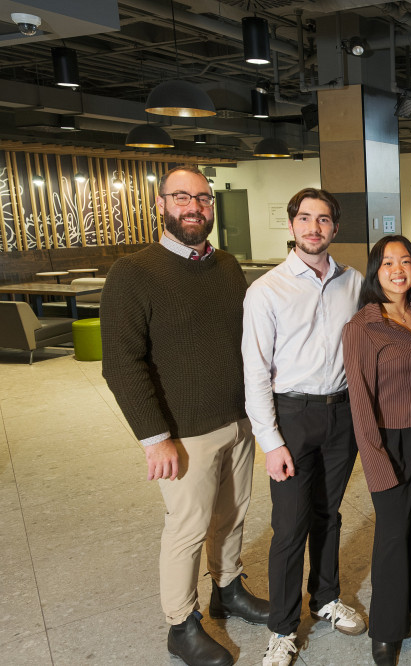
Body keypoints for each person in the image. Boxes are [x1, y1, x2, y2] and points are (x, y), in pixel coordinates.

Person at [101, 165, 268, 666]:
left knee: (234, 514)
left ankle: (228, 588)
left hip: (238, 420)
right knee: (188, 526)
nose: (193, 207)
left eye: (202, 198)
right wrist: (155, 437)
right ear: (161, 204)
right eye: (181, 197)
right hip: (183, 432)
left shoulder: (228, 266)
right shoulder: (133, 272)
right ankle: (180, 623)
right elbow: (121, 363)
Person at [242, 188, 367, 666]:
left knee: (329, 514)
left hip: (342, 415)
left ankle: (327, 597)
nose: (314, 228)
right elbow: (255, 371)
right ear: (292, 226)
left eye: (324, 220)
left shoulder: (353, 282)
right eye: (305, 219)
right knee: (290, 525)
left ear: (335, 228)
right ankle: (281, 628)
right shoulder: (267, 290)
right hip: (291, 416)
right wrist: (270, 442)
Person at [343, 236, 411, 666]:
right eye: (388, 263)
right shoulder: (362, 328)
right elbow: (360, 404)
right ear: (375, 271)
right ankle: (386, 629)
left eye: (406, 261)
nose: (398, 269)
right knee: (391, 534)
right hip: (390, 439)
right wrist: (376, 462)